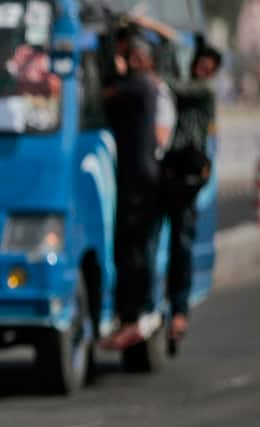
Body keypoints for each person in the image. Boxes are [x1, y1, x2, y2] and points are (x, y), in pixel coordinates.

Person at [101, 36, 170, 350]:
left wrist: (113, 68)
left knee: (133, 249)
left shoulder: (139, 84)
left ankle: (134, 313)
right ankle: (132, 311)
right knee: (134, 248)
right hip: (138, 178)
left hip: (138, 181)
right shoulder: (145, 84)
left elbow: (104, 95)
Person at [161, 42, 222, 344]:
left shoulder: (203, 90)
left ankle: (179, 310)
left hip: (187, 171)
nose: (203, 69)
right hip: (171, 169)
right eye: (202, 63)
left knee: (181, 244)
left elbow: (174, 86)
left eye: (209, 67)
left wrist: (156, 75)